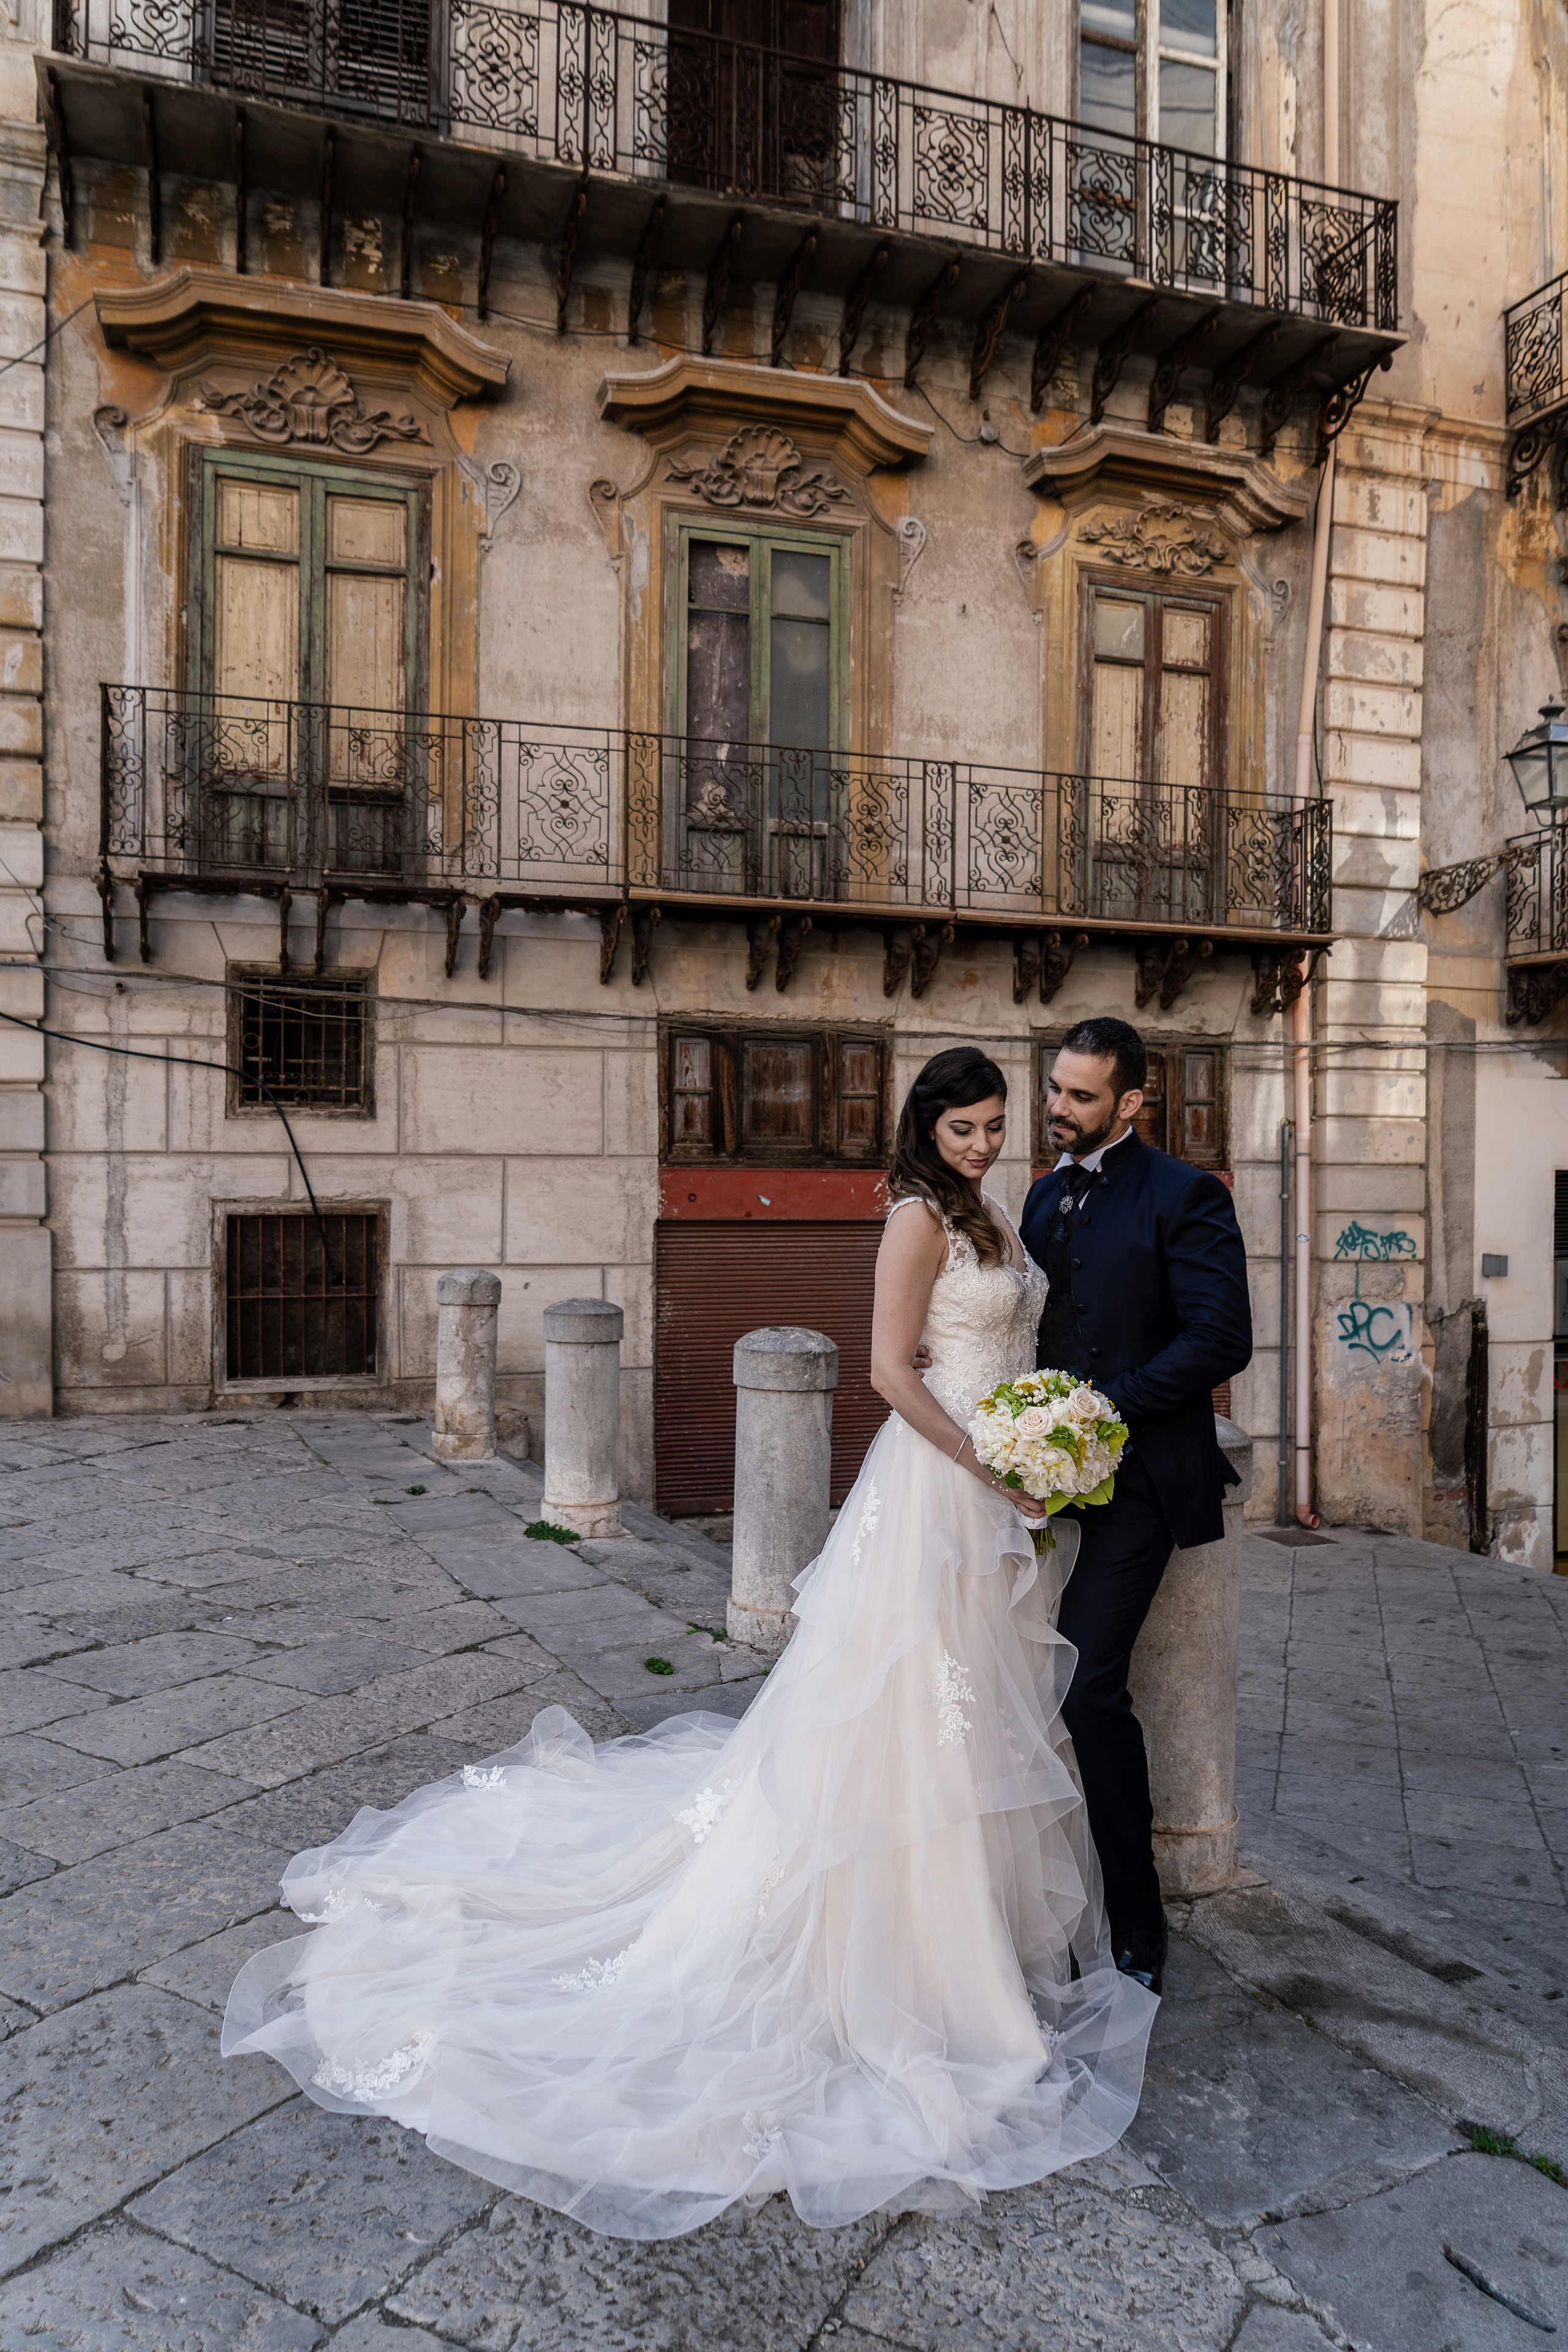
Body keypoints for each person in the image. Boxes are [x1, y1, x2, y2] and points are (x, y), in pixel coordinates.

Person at [222, 1045, 1157, 2241]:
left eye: (992, 1126)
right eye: (963, 1127)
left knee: (978, 1704)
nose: (981, 1143)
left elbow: (1001, 1344)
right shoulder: (918, 1217)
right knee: (909, 1702)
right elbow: (881, 1369)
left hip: (999, 1488)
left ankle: (965, 1938)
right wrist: (985, 1458)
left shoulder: (997, 1212)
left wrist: (1039, 1445)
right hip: (936, 1486)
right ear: (925, 1127)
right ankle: (901, 1955)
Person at [1019, 1017, 1252, 1997]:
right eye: (1056, 1089)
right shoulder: (1036, 1197)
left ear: (1131, 1103)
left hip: (1144, 1482)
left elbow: (1220, 1340)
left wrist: (1100, 1412)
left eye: (1080, 1095)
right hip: (1037, 1480)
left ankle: (1138, 1919)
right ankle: (1028, 1899)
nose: (1058, 1108)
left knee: (1085, 1687)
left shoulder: (1187, 1195)